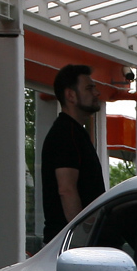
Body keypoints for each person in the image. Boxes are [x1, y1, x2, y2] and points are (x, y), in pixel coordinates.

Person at [41, 64, 105, 243]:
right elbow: (66, 189)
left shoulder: (73, 132)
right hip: (69, 246)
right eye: (89, 88)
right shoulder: (65, 134)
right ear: (70, 95)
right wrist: (81, 237)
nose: (96, 93)